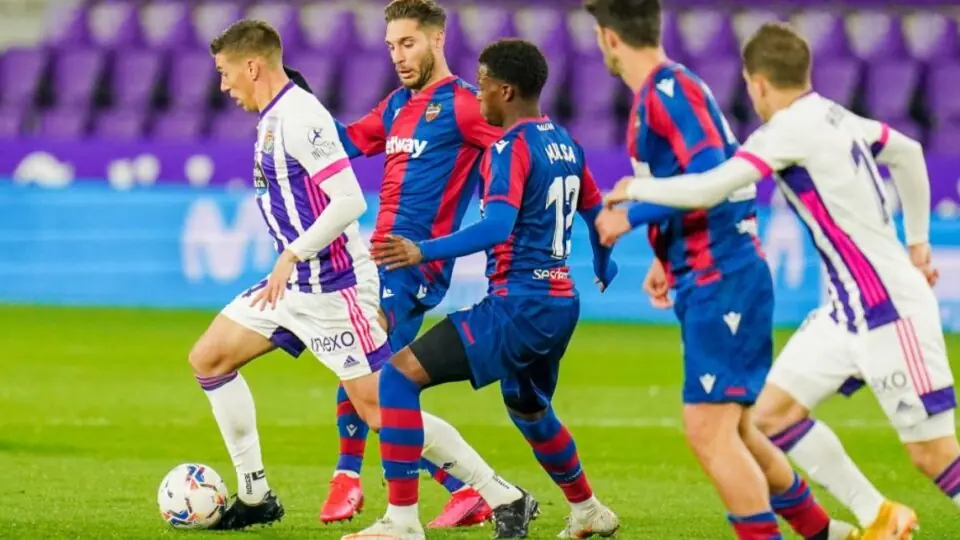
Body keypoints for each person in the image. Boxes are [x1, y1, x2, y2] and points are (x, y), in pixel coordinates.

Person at [607, 21, 960, 539]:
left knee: (933, 455)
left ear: (757, 84)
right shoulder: (836, 115)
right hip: (844, 313)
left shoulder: (787, 130)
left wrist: (634, 191)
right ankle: (879, 517)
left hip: (889, 310)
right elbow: (907, 151)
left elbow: (710, 187)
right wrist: (919, 243)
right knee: (771, 417)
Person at [191, 19, 524, 531]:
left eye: (224, 71)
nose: (222, 84)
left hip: (333, 287)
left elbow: (348, 199)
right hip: (293, 285)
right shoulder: (281, 115)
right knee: (209, 358)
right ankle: (256, 496)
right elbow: (348, 145)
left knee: (382, 409)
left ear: (251, 67)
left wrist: (293, 253)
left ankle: (498, 493)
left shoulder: (299, 116)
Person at [583, 2, 857, 539]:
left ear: (609, 38)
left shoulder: (669, 92)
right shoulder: (667, 91)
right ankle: (826, 533)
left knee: (708, 429)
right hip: (711, 270)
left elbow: (717, 176)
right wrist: (664, 255)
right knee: (739, 429)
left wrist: (630, 216)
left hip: (722, 274)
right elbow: (694, 183)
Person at [341, 38, 621, 540]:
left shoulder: (509, 148)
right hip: (560, 302)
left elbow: (496, 226)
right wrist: (604, 262)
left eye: (485, 85)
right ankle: (588, 509)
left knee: (397, 378)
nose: (478, 94)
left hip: (519, 304)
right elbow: (596, 211)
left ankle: (401, 521)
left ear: (506, 91)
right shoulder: (564, 141)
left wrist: (422, 251)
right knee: (528, 407)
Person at [320, 0, 505, 526]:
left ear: (437, 40)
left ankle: (351, 478)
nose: (398, 56)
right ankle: (464, 488)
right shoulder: (397, 104)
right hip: (378, 260)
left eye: (408, 43)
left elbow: (517, 148)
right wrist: (299, 111)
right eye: (391, 46)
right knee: (370, 376)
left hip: (415, 264)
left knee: (364, 368)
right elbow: (348, 142)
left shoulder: (465, 105)